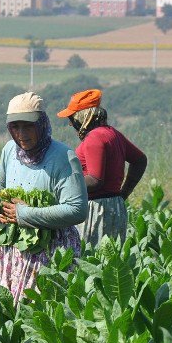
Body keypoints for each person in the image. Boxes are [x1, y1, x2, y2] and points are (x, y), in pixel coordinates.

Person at [0, 92, 87, 302]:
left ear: (42, 124)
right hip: (15, 248)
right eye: (15, 127)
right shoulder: (9, 150)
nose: (22, 134)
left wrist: (26, 213)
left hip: (52, 250)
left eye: (28, 126)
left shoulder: (63, 157)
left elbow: (78, 209)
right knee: (11, 314)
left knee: (43, 313)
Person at [56, 89, 147, 246]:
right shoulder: (113, 133)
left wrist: (61, 186)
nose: (71, 123)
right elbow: (140, 160)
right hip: (113, 207)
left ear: (83, 117)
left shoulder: (94, 138)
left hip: (96, 211)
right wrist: (122, 194)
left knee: (88, 260)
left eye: (72, 117)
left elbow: (95, 180)